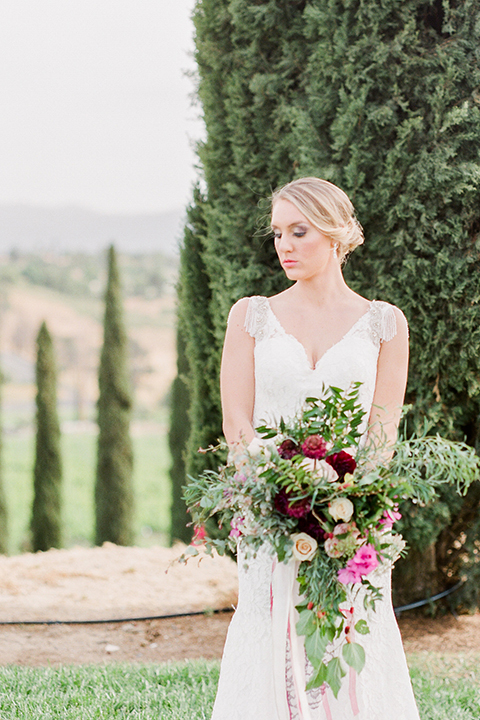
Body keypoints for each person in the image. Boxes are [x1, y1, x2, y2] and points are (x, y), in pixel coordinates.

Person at [213, 177, 420, 720]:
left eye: (298, 231)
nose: (284, 244)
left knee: (351, 635)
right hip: (267, 511)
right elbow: (237, 421)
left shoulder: (385, 324)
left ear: (335, 235)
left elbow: (381, 430)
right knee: (268, 628)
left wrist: (351, 506)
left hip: (353, 517)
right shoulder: (250, 316)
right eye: (278, 232)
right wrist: (271, 492)